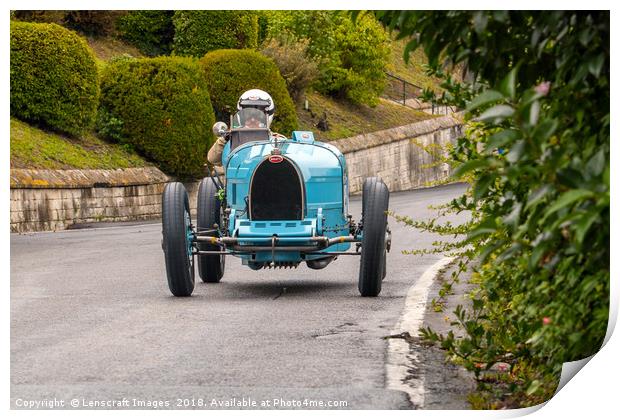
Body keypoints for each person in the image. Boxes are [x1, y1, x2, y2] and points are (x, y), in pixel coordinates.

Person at [207, 89, 275, 169]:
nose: (252, 119)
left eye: (258, 115)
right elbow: (212, 159)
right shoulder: (232, 137)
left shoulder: (276, 139)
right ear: (241, 115)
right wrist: (224, 140)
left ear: (268, 115)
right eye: (248, 114)